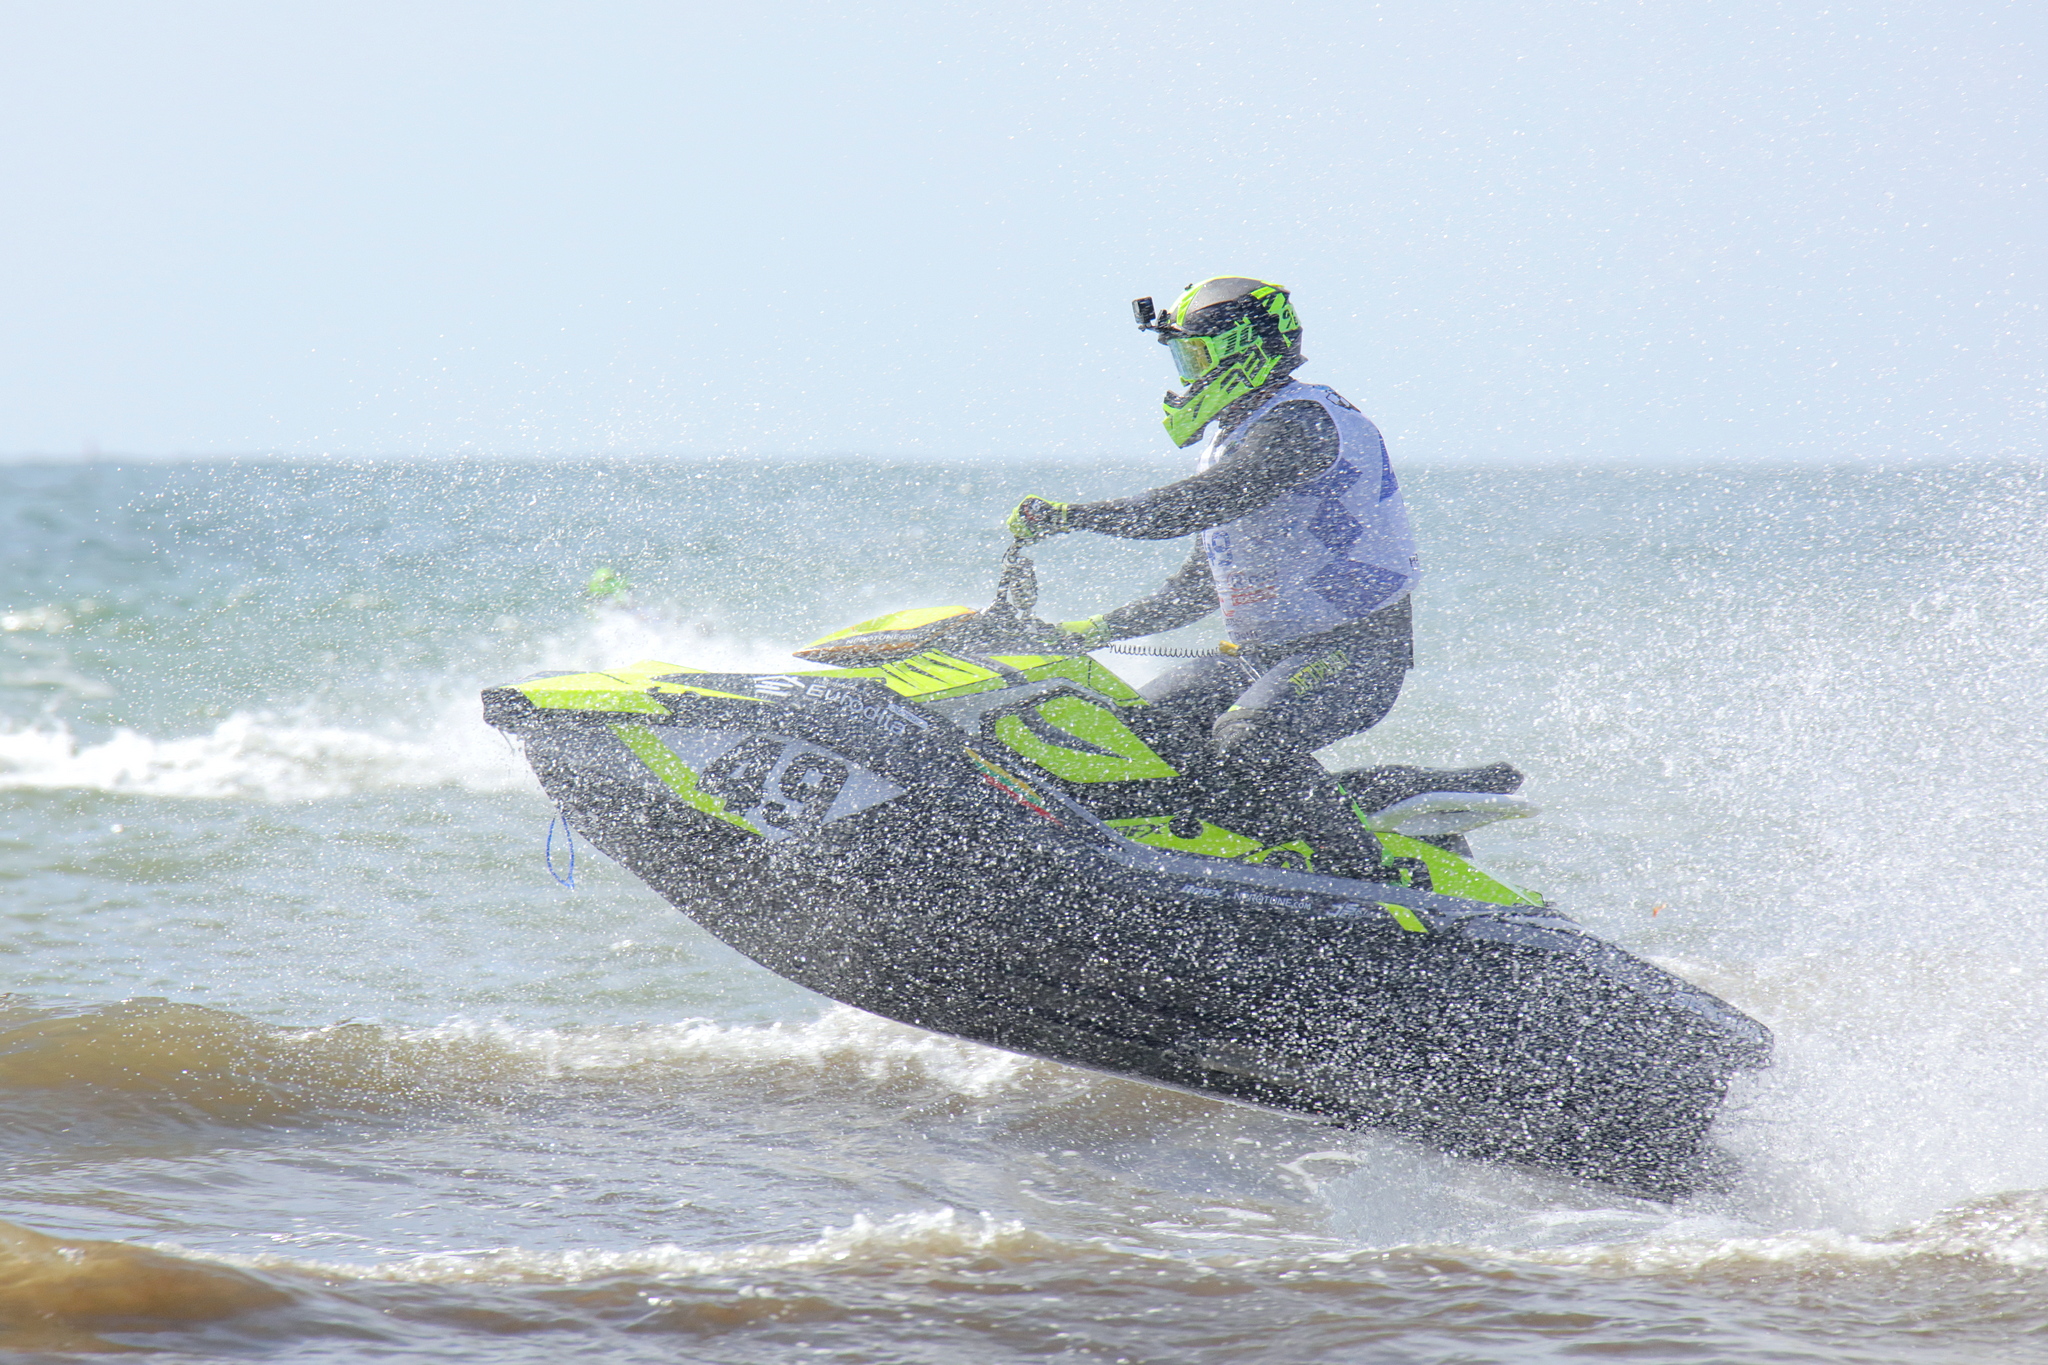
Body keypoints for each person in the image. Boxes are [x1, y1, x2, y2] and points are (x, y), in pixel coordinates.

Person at [1001, 276, 1419, 878]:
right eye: (1183, 359)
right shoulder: (1238, 437)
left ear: (1243, 351)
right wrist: (1084, 632)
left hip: (1357, 654)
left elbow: (1193, 505)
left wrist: (1073, 517)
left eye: (1195, 356)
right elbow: (1197, 588)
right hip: (1263, 657)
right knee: (1134, 735)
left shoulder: (1301, 424)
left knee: (1247, 739)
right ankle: (1233, 857)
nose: (1188, 375)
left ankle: (1368, 876)